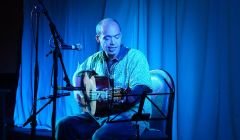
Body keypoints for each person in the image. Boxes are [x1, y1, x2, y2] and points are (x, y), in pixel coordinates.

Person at [55, 18, 152, 140]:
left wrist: (122, 98)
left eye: (116, 37)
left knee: (101, 136)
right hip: (100, 115)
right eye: (107, 38)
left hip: (131, 118)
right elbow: (78, 74)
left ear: (121, 36)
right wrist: (78, 92)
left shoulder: (136, 57)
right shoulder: (95, 59)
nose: (113, 42)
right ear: (98, 38)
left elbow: (140, 89)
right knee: (64, 125)